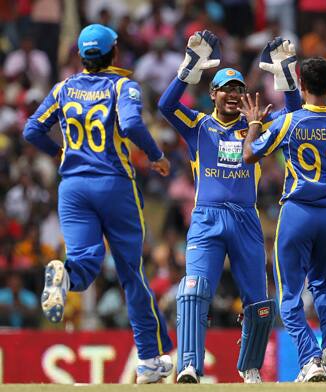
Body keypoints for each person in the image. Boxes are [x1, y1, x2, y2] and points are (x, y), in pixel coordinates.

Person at [23, 24, 174, 384]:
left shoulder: (63, 88)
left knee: (85, 263)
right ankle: (151, 360)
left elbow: (32, 129)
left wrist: (61, 152)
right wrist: (155, 155)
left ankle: (65, 275)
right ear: (114, 53)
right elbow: (133, 123)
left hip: (72, 187)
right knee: (132, 274)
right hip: (114, 185)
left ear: (81, 55)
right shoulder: (123, 86)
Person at [157, 31, 302, 384]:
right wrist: (190, 65)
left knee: (259, 302)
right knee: (192, 289)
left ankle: (249, 367)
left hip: (245, 218)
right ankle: (189, 364)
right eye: (227, 89)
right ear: (213, 94)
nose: (235, 95)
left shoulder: (257, 127)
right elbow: (165, 105)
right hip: (206, 217)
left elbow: (296, 115)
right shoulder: (198, 125)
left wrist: (286, 74)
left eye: (239, 89)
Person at [242, 57, 326, 382]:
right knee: (323, 283)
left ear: (301, 86)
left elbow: (249, 155)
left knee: (289, 293)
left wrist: (255, 124)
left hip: (298, 213)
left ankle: (309, 359)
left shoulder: (291, 122)